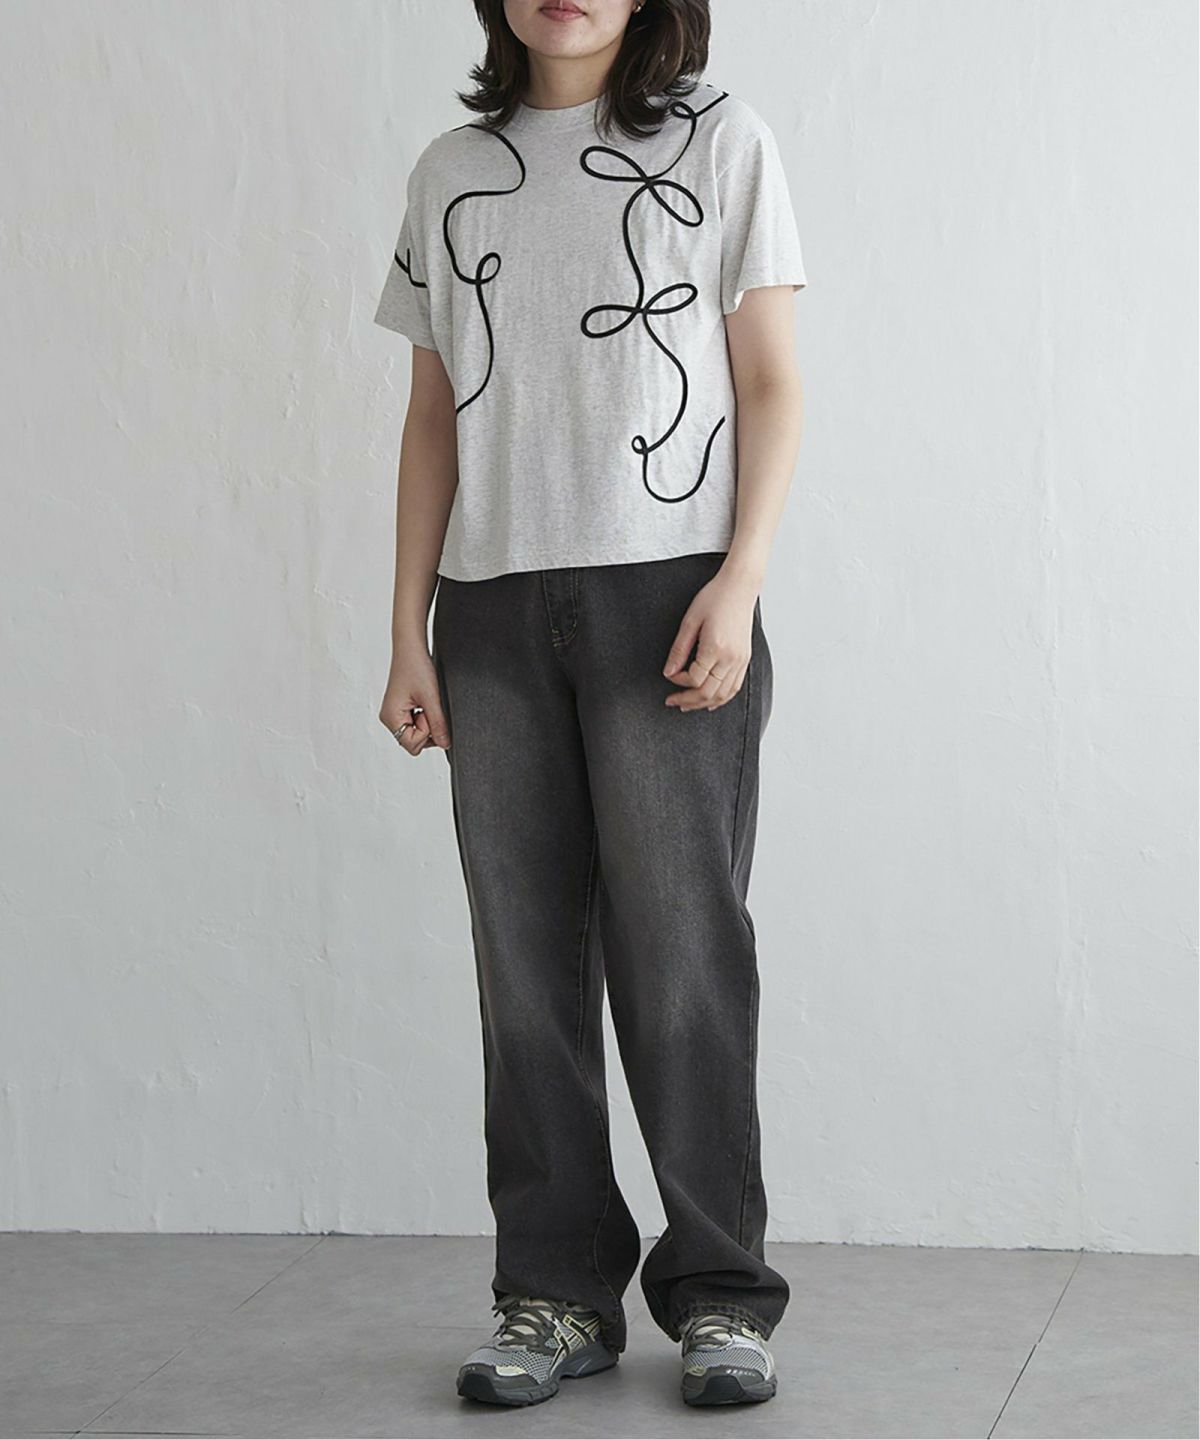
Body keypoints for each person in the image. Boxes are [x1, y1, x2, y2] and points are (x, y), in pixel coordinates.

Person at [372, 0, 806, 1410]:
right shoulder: (452, 171)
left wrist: (740, 580)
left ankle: (723, 1292)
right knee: (526, 973)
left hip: (668, 597)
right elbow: (433, 415)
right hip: (492, 614)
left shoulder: (720, 142)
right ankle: (553, 1292)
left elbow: (773, 381)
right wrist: (407, 631)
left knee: (683, 957)